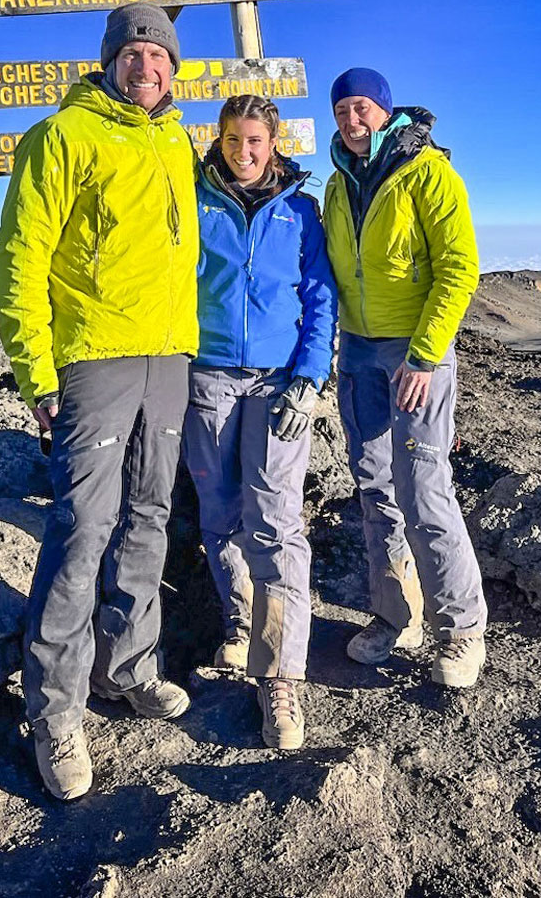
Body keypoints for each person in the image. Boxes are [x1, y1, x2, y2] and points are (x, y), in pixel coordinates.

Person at [0, 5, 199, 800]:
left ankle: (128, 667)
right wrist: (37, 374)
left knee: (148, 518)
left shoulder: (178, 140)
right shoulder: (62, 135)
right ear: (109, 61)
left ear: (173, 68)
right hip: (94, 360)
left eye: (158, 52)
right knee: (82, 530)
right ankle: (54, 712)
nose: (145, 64)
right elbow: (20, 256)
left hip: (169, 357)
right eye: (132, 52)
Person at [322, 68, 487, 688]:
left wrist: (422, 356)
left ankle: (461, 629)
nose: (351, 118)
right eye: (342, 109)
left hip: (414, 353)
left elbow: (460, 267)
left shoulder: (428, 173)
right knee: (373, 487)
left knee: (424, 489)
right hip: (358, 350)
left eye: (361, 106)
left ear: (385, 112)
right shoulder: (340, 184)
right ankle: (396, 616)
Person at [182, 95, 336, 749]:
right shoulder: (194, 202)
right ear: (218, 140)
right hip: (209, 374)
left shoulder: (300, 210)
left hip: (278, 381)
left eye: (255, 141)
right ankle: (239, 621)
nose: (244, 152)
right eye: (233, 139)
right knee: (217, 511)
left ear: (273, 143)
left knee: (274, 520)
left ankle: (280, 677)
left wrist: (309, 376)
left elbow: (320, 296)